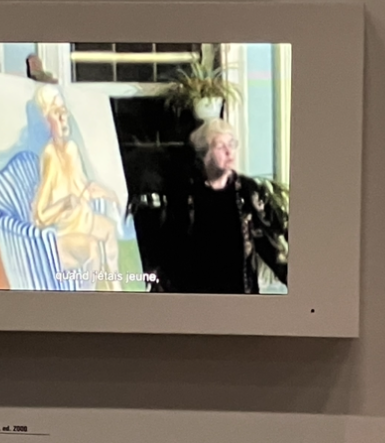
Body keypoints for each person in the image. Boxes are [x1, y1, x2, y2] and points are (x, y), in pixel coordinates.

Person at [133, 118, 288, 294]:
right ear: (204, 154)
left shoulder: (247, 191)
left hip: (240, 295)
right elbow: (169, 248)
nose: (229, 151)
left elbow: (269, 244)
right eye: (220, 146)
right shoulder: (186, 194)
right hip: (196, 296)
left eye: (232, 144)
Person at [30, 85, 122, 291]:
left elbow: (82, 188)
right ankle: (87, 299)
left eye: (64, 111)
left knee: (109, 229)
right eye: (57, 113)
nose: (64, 118)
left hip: (81, 221)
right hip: (64, 232)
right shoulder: (50, 155)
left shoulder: (71, 149)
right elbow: (40, 216)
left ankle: (117, 290)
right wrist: (64, 204)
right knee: (92, 248)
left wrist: (103, 192)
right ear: (46, 119)